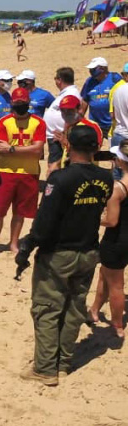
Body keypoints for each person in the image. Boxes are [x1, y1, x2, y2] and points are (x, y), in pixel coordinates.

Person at [15, 125, 113, 385]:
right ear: (95, 148)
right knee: (73, 308)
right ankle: (63, 363)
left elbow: (45, 220)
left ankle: (46, 368)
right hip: (89, 250)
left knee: (47, 308)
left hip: (59, 252)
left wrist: (29, 245)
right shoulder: (106, 179)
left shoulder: (60, 179)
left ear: (68, 146)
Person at [0, 87, 46, 256]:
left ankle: (13, 243)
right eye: (17, 103)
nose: (20, 105)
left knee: (20, 211)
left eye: (23, 102)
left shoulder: (38, 122)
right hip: (6, 171)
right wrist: (27, 148)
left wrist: (12, 149)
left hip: (29, 172)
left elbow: (38, 151)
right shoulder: (4, 122)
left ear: (28, 103)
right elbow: (0, 149)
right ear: (12, 103)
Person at [89, 141, 128, 338]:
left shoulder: (118, 188)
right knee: (105, 274)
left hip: (117, 240)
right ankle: (95, 310)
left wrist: (94, 218)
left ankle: (117, 324)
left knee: (117, 285)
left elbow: (112, 221)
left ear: (121, 161)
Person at [43, 67, 82, 174]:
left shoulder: (70, 94)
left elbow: (72, 115)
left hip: (60, 136)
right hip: (57, 135)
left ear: (59, 80)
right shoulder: (66, 93)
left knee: (55, 166)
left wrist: (65, 133)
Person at [50, 95, 103, 171]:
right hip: (70, 170)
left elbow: (94, 152)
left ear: (79, 109)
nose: (66, 114)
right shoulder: (69, 126)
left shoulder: (90, 126)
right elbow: (66, 153)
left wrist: (66, 143)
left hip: (86, 171)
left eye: (69, 110)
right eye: (63, 110)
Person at [80, 57, 121, 137]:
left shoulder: (115, 78)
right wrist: (80, 116)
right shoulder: (89, 81)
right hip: (95, 124)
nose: (91, 71)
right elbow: (85, 99)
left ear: (103, 68)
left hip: (112, 123)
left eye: (93, 69)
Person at [109, 64, 128, 180]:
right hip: (126, 136)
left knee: (117, 173)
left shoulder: (117, 90)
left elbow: (113, 115)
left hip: (118, 133)